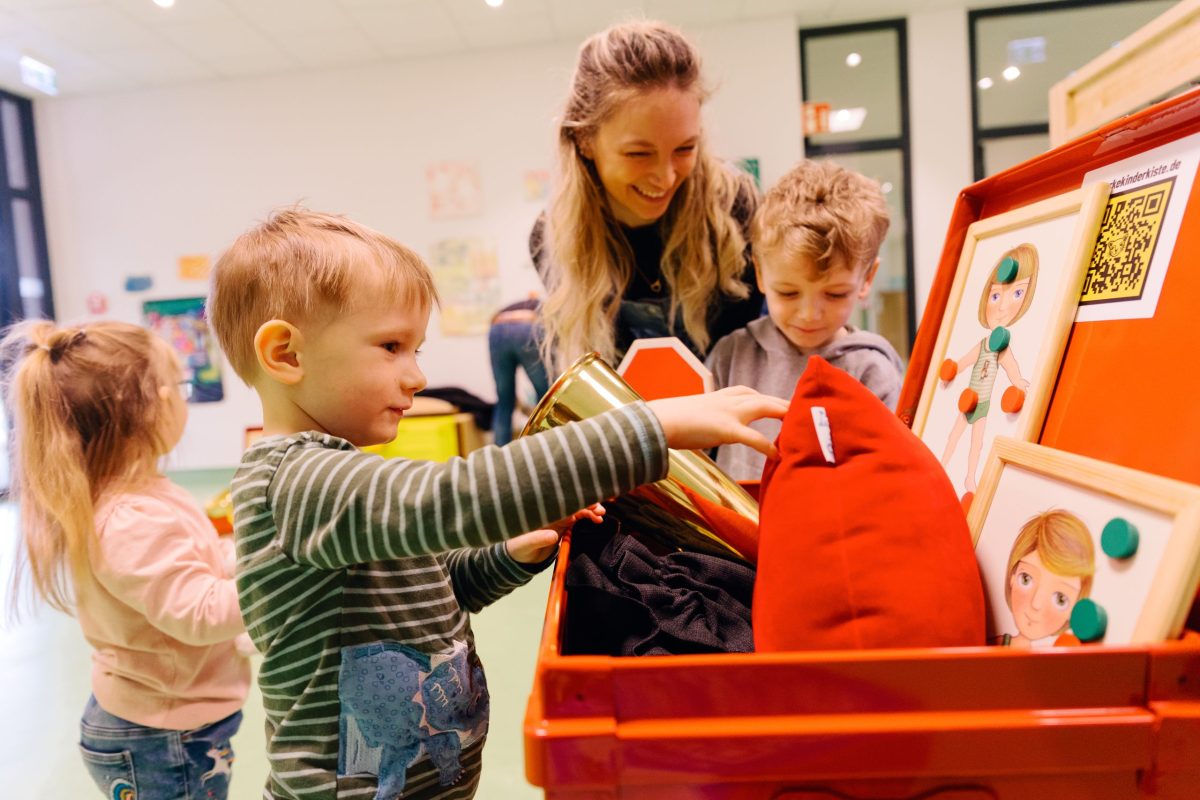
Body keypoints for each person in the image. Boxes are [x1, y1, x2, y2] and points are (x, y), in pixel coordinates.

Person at [206, 208, 788, 800]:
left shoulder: (344, 483)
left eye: (416, 349)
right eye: (391, 346)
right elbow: (454, 499)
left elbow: (437, 591)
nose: (417, 376)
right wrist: (650, 427)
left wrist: (510, 553)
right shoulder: (294, 482)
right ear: (286, 354)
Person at [0, 320, 250, 800]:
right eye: (179, 385)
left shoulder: (147, 494)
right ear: (156, 404)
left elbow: (196, 562)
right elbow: (200, 613)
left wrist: (240, 557)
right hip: (159, 739)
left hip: (176, 725)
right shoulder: (129, 520)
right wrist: (281, 582)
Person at [531, 19, 764, 374]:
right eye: (638, 154)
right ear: (585, 140)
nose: (666, 177)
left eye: (685, 148)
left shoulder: (736, 207)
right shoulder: (554, 239)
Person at [705, 159, 906, 481]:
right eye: (788, 293)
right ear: (760, 273)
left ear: (867, 278)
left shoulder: (872, 370)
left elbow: (889, 477)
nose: (809, 314)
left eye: (835, 294)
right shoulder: (731, 355)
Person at [940, 243, 1037, 494]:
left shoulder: (1001, 348)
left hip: (982, 403)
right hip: (968, 399)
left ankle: (970, 478)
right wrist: (954, 367)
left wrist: (1018, 382)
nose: (1002, 307)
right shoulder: (984, 343)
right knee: (954, 435)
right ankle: (942, 465)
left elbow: (1011, 366)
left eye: (1017, 293)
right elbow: (966, 360)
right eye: (995, 296)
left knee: (977, 442)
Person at [997, 509, 1095, 648]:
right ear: (1012, 577)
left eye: (1060, 599)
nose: (1036, 604)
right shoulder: (994, 645)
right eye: (1026, 579)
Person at [488, 296, 550, 445]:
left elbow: (491, 319)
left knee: (504, 402)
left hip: (496, 328)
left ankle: (499, 454)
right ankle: (543, 447)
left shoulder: (515, 305)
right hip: (527, 328)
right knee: (545, 399)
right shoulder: (549, 307)